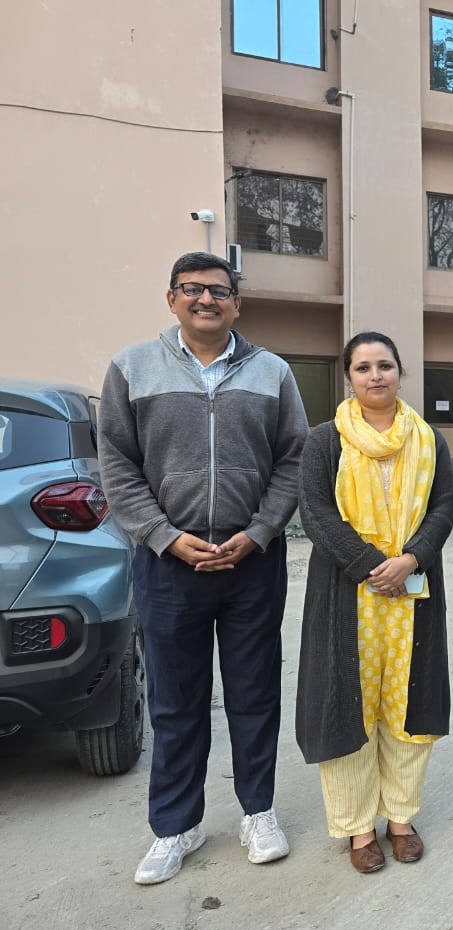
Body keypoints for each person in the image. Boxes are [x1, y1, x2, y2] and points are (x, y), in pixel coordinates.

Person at [98, 251, 308, 884]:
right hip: (169, 566)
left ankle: (257, 811)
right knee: (175, 700)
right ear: (172, 299)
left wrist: (260, 531)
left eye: (219, 290)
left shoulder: (271, 371)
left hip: (252, 562)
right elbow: (118, 464)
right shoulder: (132, 368)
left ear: (237, 304)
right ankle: (176, 825)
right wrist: (164, 537)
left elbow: (293, 459)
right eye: (192, 289)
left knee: (254, 693)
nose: (206, 300)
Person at [295, 332, 453, 874]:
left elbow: (443, 507)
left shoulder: (427, 438)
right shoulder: (325, 440)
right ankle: (358, 827)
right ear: (349, 377)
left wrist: (410, 560)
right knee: (349, 706)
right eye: (363, 367)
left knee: (407, 706)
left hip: (413, 593)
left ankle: (401, 819)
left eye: (385, 365)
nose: (375, 375)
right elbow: (315, 511)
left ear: (400, 373)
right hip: (347, 595)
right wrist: (370, 564)